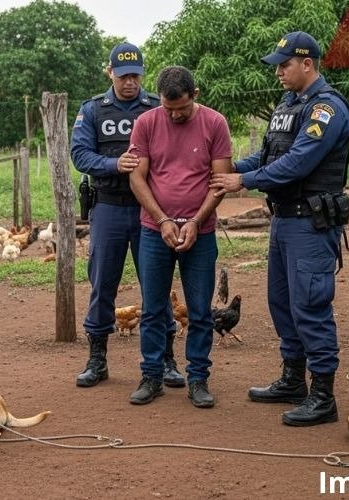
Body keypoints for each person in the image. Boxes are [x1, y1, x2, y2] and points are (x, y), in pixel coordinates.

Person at [210, 32, 349, 426]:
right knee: (281, 303)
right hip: (284, 220)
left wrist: (245, 182)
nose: (278, 71)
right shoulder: (289, 104)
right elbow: (271, 152)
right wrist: (233, 166)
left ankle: (323, 396)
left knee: (311, 306)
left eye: (284, 64)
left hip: (310, 223)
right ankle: (293, 380)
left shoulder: (327, 109)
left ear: (307, 64)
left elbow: (298, 162)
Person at [70, 43, 185, 389]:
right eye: (123, 76)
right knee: (102, 283)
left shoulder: (156, 107)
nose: (130, 82)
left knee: (157, 285)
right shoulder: (92, 110)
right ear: (110, 73)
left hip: (148, 209)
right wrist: (113, 164)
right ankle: (97, 359)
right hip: (108, 206)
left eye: (135, 75)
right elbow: (79, 154)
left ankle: (166, 360)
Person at [128, 65, 232, 408]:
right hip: (154, 230)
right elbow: (137, 178)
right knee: (154, 309)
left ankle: (198, 379)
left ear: (195, 96)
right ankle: (152, 375)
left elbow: (220, 180)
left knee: (200, 310)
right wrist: (162, 220)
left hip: (200, 234)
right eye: (168, 108)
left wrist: (195, 221)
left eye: (182, 109)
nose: (174, 115)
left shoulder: (215, 123)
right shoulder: (146, 123)